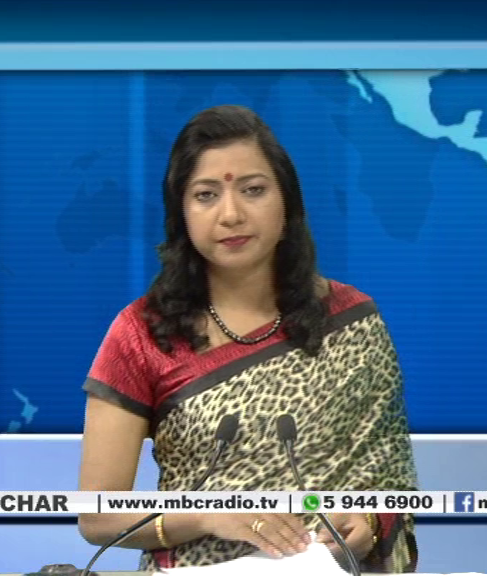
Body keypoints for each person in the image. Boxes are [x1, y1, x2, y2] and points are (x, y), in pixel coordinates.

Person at [77, 104, 419, 573]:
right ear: (182, 212)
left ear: (287, 202)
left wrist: (371, 524)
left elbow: (392, 483)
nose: (231, 214)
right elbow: (98, 516)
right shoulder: (142, 333)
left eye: (253, 190)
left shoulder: (351, 318)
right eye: (206, 195)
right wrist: (208, 515)